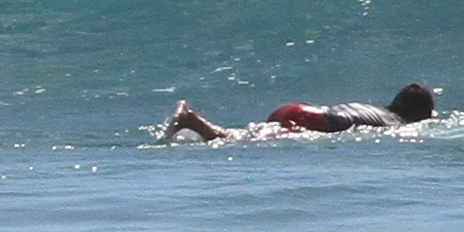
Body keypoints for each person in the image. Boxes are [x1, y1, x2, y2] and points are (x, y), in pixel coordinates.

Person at [161, 83, 435, 141]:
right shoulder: (396, 123)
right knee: (243, 140)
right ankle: (191, 119)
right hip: (317, 119)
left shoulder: (377, 110)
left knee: (248, 135)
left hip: (300, 109)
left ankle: (192, 121)